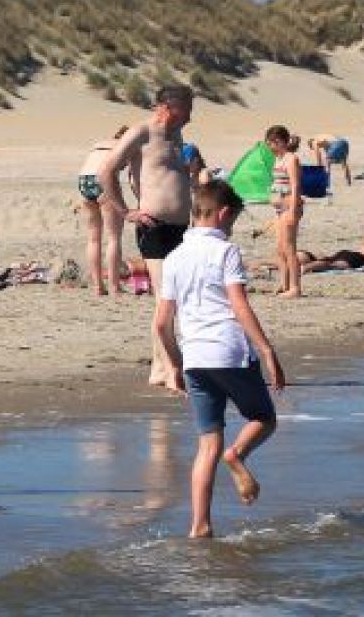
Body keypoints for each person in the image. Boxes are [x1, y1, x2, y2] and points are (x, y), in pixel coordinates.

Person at [153, 182, 285, 538]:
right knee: (264, 418)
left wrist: (174, 366)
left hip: (194, 356)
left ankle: (200, 525)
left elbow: (162, 323)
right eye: (232, 221)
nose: (231, 229)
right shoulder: (225, 251)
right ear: (223, 214)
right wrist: (267, 351)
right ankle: (237, 455)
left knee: (206, 445)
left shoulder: (174, 258)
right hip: (229, 350)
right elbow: (239, 307)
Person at [98, 85, 197, 390]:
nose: (191, 116)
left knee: (172, 298)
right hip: (153, 226)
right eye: (187, 109)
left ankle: (159, 367)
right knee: (165, 298)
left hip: (179, 228)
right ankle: (170, 367)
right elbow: (107, 171)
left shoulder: (176, 137)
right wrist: (126, 211)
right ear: (167, 107)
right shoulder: (142, 133)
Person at [78, 126, 130, 296]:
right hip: (103, 179)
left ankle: (97, 286)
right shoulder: (126, 146)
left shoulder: (100, 144)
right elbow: (132, 176)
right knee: (114, 237)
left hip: (84, 181)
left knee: (93, 238)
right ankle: (114, 286)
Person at [265, 127, 305, 298]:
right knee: (280, 248)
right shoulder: (278, 159)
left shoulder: (291, 159)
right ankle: (284, 283)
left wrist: (294, 208)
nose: (272, 146)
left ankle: (295, 287)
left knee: (289, 248)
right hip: (279, 209)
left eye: (275, 142)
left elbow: (295, 185)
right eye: (270, 142)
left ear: (284, 141)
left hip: (290, 206)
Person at [297, 230, 364, 273]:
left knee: (329, 260)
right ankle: (306, 267)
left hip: (349, 253)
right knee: (333, 265)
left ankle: (301, 259)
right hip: (360, 260)